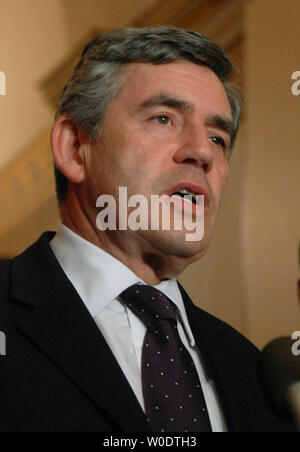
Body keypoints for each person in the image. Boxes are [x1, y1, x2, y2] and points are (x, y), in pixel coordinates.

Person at [0, 26, 293, 432]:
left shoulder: (256, 373)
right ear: (73, 147)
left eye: (218, 137)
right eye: (164, 118)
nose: (202, 151)